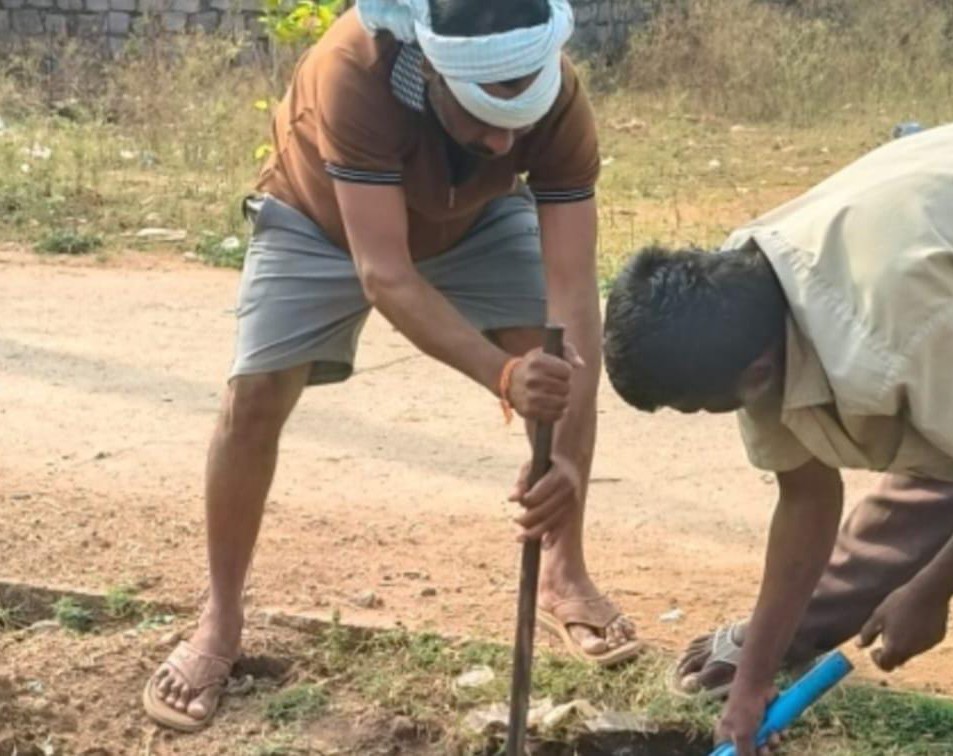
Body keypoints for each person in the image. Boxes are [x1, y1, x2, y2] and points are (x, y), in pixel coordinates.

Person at [143, 0, 642, 732]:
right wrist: (504, 377)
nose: (505, 143)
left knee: (550, 353)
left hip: (473, 221)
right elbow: (387, 274)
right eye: (482, 118)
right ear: (433, 73)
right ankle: (220, 619)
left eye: (519, 119)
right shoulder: (355, 71)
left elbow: (573, 298)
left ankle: (566, 570)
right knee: (251, 400)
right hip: (318, 219)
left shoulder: (559, 96)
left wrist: (563, 454)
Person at [602, 117, 953, 755]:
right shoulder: (742, 290)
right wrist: (754, 681)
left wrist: (932, 591)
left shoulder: (896, 330)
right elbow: (806, 497)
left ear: (755, 374)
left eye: (698, 408)